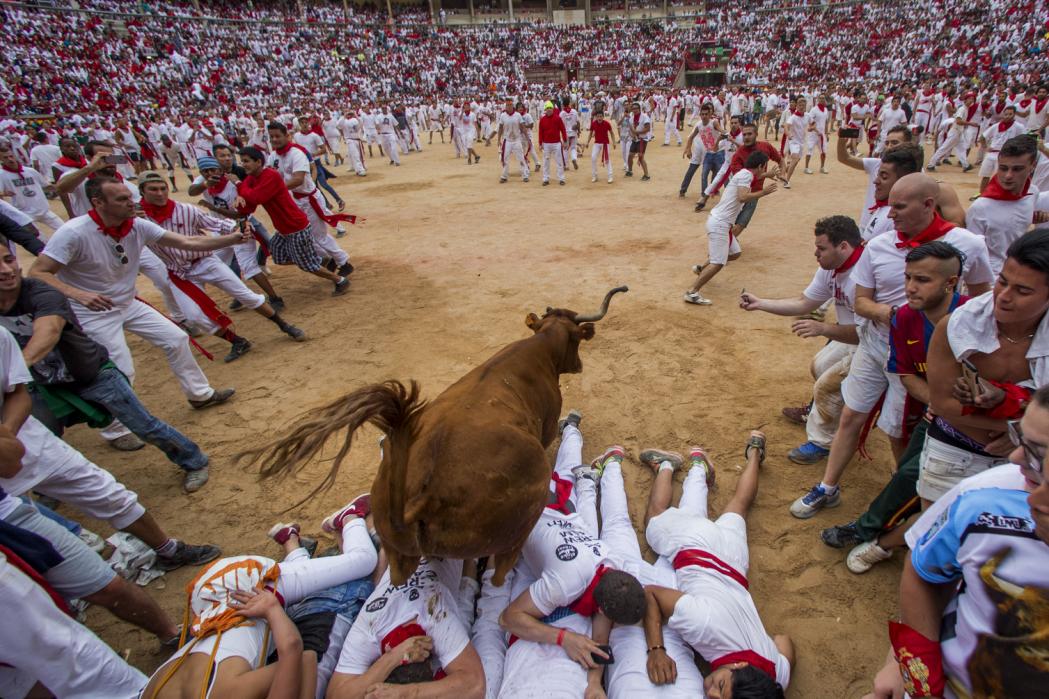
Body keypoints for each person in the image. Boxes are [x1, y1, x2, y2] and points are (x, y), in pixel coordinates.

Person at [791, 173, 994, 519]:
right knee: (851, 415)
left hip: (928, 359)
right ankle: (828, 487)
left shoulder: (968, 245)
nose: (891, 212)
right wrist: (898, 316)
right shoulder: (880, 245)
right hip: (876, 348)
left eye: (899, 206)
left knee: (904, 431)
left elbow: (982, 301)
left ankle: (906, 500)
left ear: (928, 205)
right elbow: (862, 302)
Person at [863, 384, 1049, 699]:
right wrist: (913, 669)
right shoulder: (984, 496)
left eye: (1038, 452)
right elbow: (923, 572)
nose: (1015, 457)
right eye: (1019, 438)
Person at [0, 236, 216, 487]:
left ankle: (194, 459)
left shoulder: (41, 292)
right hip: (44, 384)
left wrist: (14, 369)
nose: (6, 271)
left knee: (145, 426)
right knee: (40, 437)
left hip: (92, 374)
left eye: (9, 260)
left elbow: (48, 332)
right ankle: (49, 489)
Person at [29, 177, 239, 427]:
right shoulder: (73, 233)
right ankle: (116, 429)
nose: (131, 202)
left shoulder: (137, 225)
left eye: (130, 197)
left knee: (176, 339)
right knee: (119, 368)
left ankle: (199, 394)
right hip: (91, 312)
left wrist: (232, 239)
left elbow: (187, 241)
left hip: (128, 302)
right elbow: (37, 273)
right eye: (122, 199)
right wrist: (78, 294)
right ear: (98, 203)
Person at [822, 242, 970, 574]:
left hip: (976, 427)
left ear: (951, 283)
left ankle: (875, 537)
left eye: (923, 280)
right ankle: (878, 532)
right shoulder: (903, 316)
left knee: (928, 488)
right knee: (909, 475)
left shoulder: (973, 316)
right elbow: (905, 374)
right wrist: (939, 403)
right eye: (907, 277)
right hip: (941, 417)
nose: (910, 288)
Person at [140, 498, 379, 699]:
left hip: (249, 585)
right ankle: (290, 542)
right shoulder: (150, 693)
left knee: (363, 561)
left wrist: (273, 610)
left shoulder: (231, 692)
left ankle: (350, 517)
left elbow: (302, 656)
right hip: (209, 598)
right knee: (303, 585)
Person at [641, 431, 795, 697]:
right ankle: (666, 465)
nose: (711, 694)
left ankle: (755, 452)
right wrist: (656, 650)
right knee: (654, 519)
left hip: (734, 561)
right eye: (721, 686)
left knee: (740, 504)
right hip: (697, 548)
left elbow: (784, 642)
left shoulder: (774, 675)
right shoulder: (703, 624)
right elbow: (651, 594)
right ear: (738, 665)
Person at [498, 415, 647, 671]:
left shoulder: (613, 564)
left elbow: (602, 618)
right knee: (507, 465)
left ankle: (572, 429)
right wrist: (563, 637)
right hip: (527, 508)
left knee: (565, 472)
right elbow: (508, 619)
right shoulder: (563, 586)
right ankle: (535, 427)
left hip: (564, 512)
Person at [920, 230, 1049, 504]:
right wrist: (1019, 430)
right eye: (1002, 281)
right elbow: (943, 403)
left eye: (1023, 290)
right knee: (936, 536)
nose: (1003, 296)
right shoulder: (956, 325)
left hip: (1033, 465)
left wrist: (1019, 436)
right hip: (954, 451)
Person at [138, 172, 306, 362]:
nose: (160, 193)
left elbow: (217, 224)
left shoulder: (185, 210)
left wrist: (236, 228)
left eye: (163, 188)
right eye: (153, 189)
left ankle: (284, 325)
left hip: (204, 261)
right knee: (194, 316)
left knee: (244, 294)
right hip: (178, 273)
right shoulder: (137, 222)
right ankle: (237, 341)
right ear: (142, 192)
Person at [740, 216, 863, 464]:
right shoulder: (830, 270)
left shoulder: (864, 275)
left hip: (878, 343)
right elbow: (804, 303)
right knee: (820, 366)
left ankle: (822, 444)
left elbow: (867, 331)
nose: (816, 253)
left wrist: (823, 328)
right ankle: (849, 416)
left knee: (826, 387)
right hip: (853, 334)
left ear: (843, 247)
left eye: (821, 248)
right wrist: (760, 303)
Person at [233, 147, 350, 295]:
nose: (243, 164)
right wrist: (240, 195)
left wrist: (238, 184)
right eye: (242, 161)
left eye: (246, 161)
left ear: (258, 162)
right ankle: (319, 260)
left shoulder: (270, 176)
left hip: (296, 227)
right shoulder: (251, 179)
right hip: (283, 228)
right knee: (278, 256)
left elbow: (256, 198)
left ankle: (340, 280)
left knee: (306, 263)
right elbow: (250, 203)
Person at [684, 151, 777, 306]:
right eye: (764, 168)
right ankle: (692, 292)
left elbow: (755, 177)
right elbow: (743, 197)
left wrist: (767, 175)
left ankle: (701, 269)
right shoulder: (746, 176)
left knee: (735, 253)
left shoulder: (744, 173)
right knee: (718, 262)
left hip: (720, 222)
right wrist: (764, 192)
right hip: (720, 223)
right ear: (760, 165)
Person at [266, 123, 355, 279]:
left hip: (308, 200)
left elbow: (298, 180)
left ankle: (343, 261)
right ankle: (331, 259)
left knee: (319, 236)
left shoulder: (296, 154)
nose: (274, 139)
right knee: (308, 238)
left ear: (286, 136)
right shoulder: (273, 156)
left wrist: (274, 188)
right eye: (271, 136)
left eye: (277, 136)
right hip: (294, 201)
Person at [965, 135, 1040, 276]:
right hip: (990, 280)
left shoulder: (1033, 193)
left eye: (1017, 169)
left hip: (1018, 274)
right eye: (1003, 168)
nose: (1008, 176)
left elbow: (1015, 219)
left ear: (1033, 166)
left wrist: (1034, 216)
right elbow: (971, 255)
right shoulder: (980, 207)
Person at [0, 146, 64, 237]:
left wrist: (60, 186)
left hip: (43, 209)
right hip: (25, 213)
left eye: (11, 156)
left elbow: (45, 186)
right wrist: (4, 193)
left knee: (63, 228)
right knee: (41, 241)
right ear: (1, 160)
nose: (10, 159)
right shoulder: (2, 175)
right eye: (5, 158)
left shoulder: (30, 171)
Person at [976, 105, 1027, 195]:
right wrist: (985, 146)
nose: (1007, 116)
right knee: (985, 175)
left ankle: (998, 194)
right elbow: (983, 136)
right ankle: (981, 194)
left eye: (1010, 114)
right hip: (992, 153)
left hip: (1006, 155)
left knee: (1000, 177)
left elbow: (1024, 139)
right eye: (1006, 114)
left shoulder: (1019, 127)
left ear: (1014, 114)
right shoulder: (996, 126)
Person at [497, 99, 529, 184]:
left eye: (510, 105)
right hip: (507, 140)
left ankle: (525, 175)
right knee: (505, 158)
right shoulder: (503, 115)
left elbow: (522, 127)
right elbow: (500, 128)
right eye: (507, 105)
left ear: (512, 106)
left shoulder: (518, 115)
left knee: (521, 157)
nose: (509, 106)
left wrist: (527, 138)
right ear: (506, 106)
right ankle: (504, 176)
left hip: (516, 140)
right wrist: (498, 139)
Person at [539, 101, 568, 187]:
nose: (549, 110)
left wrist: (565, 140)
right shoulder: (542, 120)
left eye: (550, 108)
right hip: (546, 144)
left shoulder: (558, 118)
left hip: (556, 143)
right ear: (545, 110)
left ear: (553, 109)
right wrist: (540, 143)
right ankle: (545, 179)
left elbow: (563, 129)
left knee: (559, 161)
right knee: (546, 162)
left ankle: (561, 178)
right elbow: (540, 132)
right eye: (547, 108)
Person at [584, 108, 616, 184]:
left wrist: (614, 142)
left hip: (605, 143)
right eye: (598, 116)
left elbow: (612, 133)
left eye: (601, 116)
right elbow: (590, 134)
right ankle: (595, 176)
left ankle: (610, 176)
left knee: (607, 160)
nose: (599, 118)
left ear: (603, 117)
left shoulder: (607, 124)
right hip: (597, 143)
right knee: (593, 158)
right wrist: (587, 142)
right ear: (596, 117)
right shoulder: (593, 124)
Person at [803, 94, 831, 175]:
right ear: (818, 99)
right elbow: (810, 121)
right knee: (810, 149)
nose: (822, 100)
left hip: (822, 134)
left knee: (824, 150)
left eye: (823, 98)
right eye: (821, 98)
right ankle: (806, 168)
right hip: (813, 134)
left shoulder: (825, 110)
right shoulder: (814, 110)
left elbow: (826, 122)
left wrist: (826, 133)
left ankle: (822, 167)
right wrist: (814, 130)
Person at [627, 102, 652, 181]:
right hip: (635, 139)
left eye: (636, 108)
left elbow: (647, 129)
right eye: (633, 109)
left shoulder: (645, 117)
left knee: (641, 157)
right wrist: (633, 135)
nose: (634, 110)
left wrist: (636, 133)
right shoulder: (631, 118)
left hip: (642, 140)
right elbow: (631, 129)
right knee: (630, 156)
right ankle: (630, 171)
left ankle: (646, 175)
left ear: (639, 109)